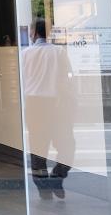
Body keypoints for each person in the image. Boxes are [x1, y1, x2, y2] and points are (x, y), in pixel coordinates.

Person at [20, 18, 76, 200]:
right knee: (67, 145)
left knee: (38, 147)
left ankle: (43, 188)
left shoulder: (25, 54)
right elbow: (68, 77)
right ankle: (58, 175)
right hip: (56, 104)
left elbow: (21, 81)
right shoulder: (59, 52)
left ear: (34, 32)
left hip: (34, 104)